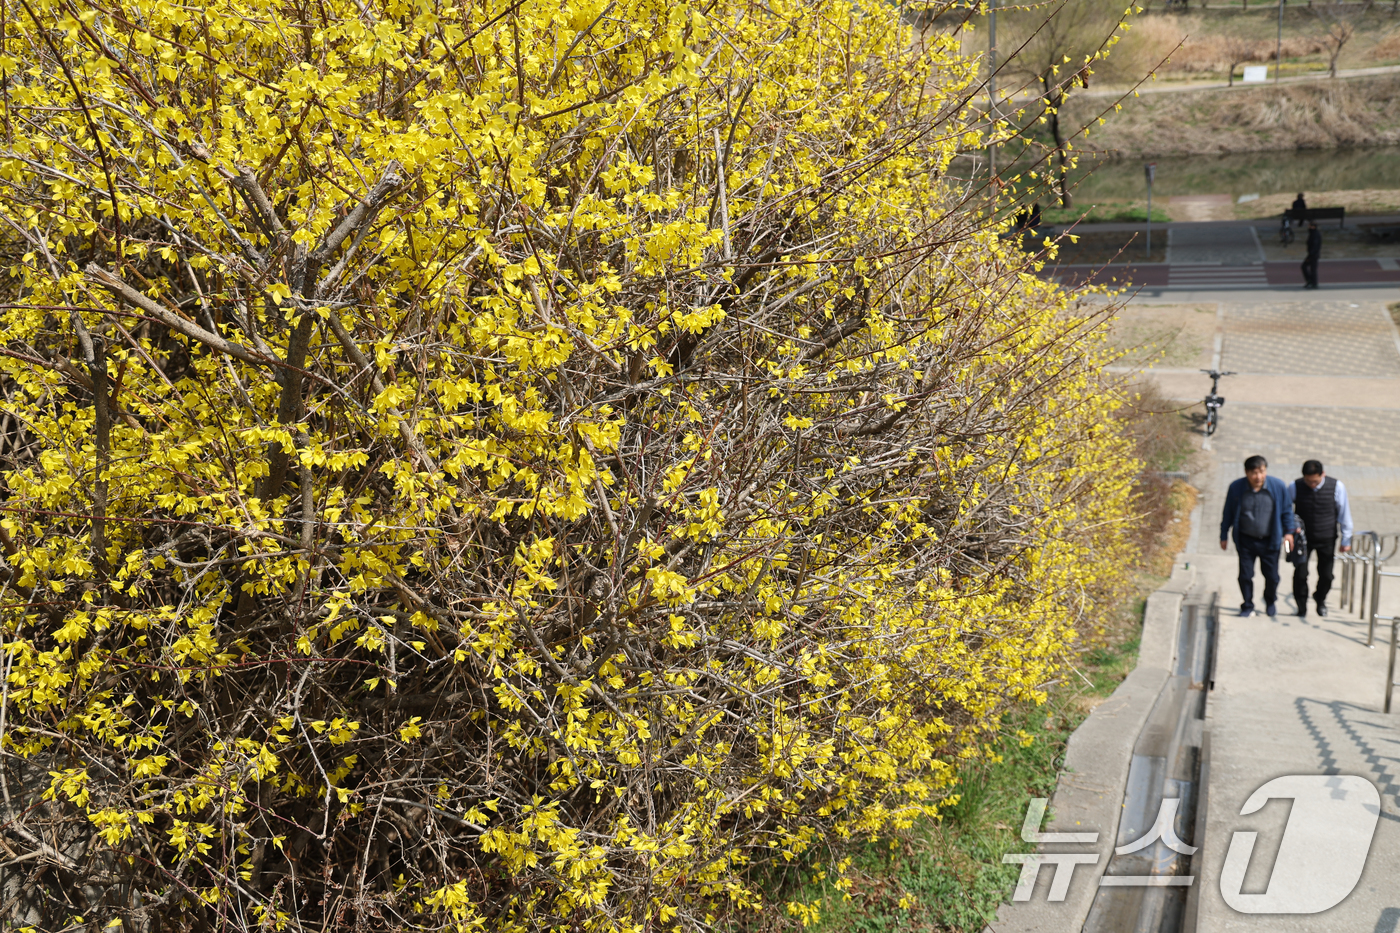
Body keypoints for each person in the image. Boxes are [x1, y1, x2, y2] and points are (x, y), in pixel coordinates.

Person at [1221, 455, 1296, 618]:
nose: (1258, 477)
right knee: (1245, 575)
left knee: (1272, 576)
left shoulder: (1277, 486)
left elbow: (1286, 510)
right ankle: (1247, 605)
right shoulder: (1236, 488)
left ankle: (1270, 601)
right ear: (1246, 473)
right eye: (1254, 473)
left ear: (1266, 471)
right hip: (1246, 540)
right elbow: (1228, 512)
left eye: (1261, 472)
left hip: (1270, 540)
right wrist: (1223, 534)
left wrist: (1288, 532)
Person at [1291, 460, 1353, 617]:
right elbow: (1286, 510)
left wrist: (1346, 539)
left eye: (1315, 481)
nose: (1311, 484)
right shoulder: (1294, 486)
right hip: (1303, 540)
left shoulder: (1337, 487)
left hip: (1327, 537)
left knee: (1326, 575)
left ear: (1322, 474)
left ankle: (1320, 598)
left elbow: (1344, 513)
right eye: (1308, 481)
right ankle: (1301, 606)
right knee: (1300, 574)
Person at [1301, 220, 1321, 289]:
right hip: (1313, 254)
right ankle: (1312, 281)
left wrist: (1310, 255)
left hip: (1313, 255)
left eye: (1310, 226)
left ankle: (1313, 282)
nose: (1308, 227)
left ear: (1313, 227)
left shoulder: (1315, 234)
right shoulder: (1313, 233)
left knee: (1308, 267)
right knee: (1311, 268)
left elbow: (1315, 246)